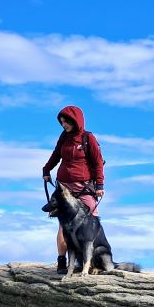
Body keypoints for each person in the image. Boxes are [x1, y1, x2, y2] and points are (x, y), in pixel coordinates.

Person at [43, 105, 105, 274]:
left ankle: (91, 262)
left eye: (66, 122)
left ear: (75, 120)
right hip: (63, 186)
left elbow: (98, 162)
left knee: (92, 221)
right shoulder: (64, 137)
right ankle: (62, 261)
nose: (64, 125)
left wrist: (99, 185)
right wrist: (46, 170)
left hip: (84, 187)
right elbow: (56, 155)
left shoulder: (88, 138)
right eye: (62, 122)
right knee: (63, 225)